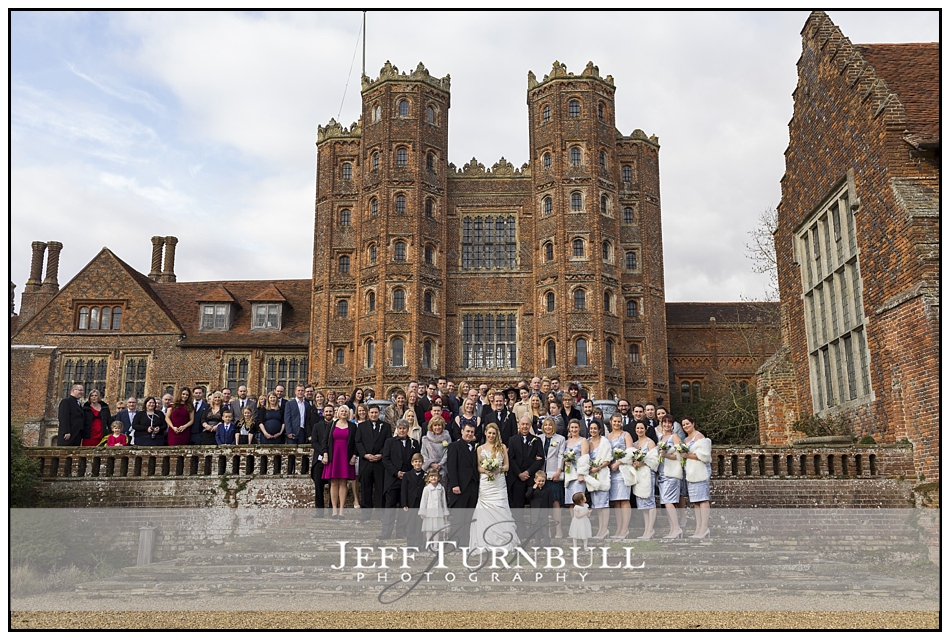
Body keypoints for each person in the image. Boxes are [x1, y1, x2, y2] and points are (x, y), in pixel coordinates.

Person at [469, 423, 520, 553]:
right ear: (485, 433)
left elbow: (507, 466)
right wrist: (486, 471)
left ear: (497, 434)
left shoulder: (502, 447)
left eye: (494, 433)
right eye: (489, 433)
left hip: (499, 482)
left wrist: (498, 470)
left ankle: (503, 541)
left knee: (501, 507)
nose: (491, 435)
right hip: (486, 483)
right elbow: (479, 467)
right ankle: (485, 541)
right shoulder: (480, 448)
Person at [379, 419, 420, 540]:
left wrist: (408, 475)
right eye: (400, 428)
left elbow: (416, 460)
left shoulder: (414, 443)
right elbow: (386, 459)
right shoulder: (389, 442)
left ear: (408, 429)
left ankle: (401, 532)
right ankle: (386, 532)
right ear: (397, 429)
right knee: (390, 508)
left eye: (404, 428)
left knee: (404, 507)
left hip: (407, 481)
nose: (402, 430)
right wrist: (396, 473)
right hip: (393, 480)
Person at [506, 415, 543, 538]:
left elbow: (540, 459)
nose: (525, 426)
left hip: (531, 479)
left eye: (527, 424)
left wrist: (528, 472)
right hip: (517, 479)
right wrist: (519, 474)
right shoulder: (512, 440)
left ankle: (535, 532)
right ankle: (520, 531)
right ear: (519, 425)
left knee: (534, 506)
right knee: (518, 506)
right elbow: (510, 458)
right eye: (523, 424)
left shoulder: (536, 440)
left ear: (530, 425)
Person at [446, 423, 480, 547]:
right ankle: (456, 542)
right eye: (467, 431)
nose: (470, 434)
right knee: (459, 516)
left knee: (469, 516)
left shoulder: (476, 447)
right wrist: (455, 484)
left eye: (472, 432)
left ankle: (466, 542)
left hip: (473, 485)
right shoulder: (454, 446)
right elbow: (451, 466)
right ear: (462, 431)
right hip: (459, 486)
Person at [321, 405, 357, 518]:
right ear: (338, 413)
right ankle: (334, 510)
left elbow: (356, 442)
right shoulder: (332, 425)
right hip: (333, 456)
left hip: (346, 456)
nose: (343, 413)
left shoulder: (352, 426)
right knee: (333, 482)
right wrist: (325, 454)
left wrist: (354, 456)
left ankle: (342, 510)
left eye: (345, 411)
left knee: (343, 482)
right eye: (341, 411)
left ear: (348, 413)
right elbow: (325, 441)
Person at [355, 404, 389, 521]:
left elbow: (387, 443)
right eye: (372, 412)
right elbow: (358, 442)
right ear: (368, 413)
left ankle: (381, 514)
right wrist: (365, 455)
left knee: (380, 488)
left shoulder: (385, 426)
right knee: (365, 488)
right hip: (366, 462)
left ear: (379, 413)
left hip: (380, 463)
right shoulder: (362, 426)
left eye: (376, 412)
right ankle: (366, 514)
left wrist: (381, 454)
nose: (374, 415)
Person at [682, 416, 712, 539]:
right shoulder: (686, 439)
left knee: (703, 500)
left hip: (700, 471)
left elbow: (704, 456)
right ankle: (698, 528)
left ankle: (704, 528)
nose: (685, 426)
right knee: (695, 502)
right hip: (691, 472)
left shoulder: (699, 437)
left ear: (693, 423)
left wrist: (687, 455)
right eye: (683, 425)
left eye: (687, 424)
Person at [606, 413, 635, 539]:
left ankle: (625, 529)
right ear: (611, 422)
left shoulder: (626, 435)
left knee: (624, 499)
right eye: (615, 421)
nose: (617, 423)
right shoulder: (607, 436)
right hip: (611, 472)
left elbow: (630, 453)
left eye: (619, 421)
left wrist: (618, 462)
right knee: (616, 502)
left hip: (622, 470)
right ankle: (618, 529)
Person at [656, 414, 684, 538]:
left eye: (669, 422)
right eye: (664, 422)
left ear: (672, 424)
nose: (667, 425)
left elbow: (680, 455)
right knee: (666, 501)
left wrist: (665, 455)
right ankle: (672, 529)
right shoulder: (661, 438)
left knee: (668, 501)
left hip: (671, 473)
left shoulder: (675, 437)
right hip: (662, 472)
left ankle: (677, 528)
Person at [538, 417, 566, 538]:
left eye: (550, 425)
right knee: (545, 503)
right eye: (545, 425)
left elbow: (561, 455)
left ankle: (558, 530)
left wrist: (558, 471)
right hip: (542, 474)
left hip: (554, 473)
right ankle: (547, 530)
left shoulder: (560, 439)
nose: (548, 427)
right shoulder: (539, 438)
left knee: (555, 502)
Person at [631, 421, 659, 539]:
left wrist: (642, 463)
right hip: (638, 476)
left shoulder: (650, 443)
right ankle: (646, 529)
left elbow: (654, 461)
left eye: (642, 428)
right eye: (638, 428)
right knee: (642, 503)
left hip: (647, 474)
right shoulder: (634, 444)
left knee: (650, 501)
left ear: (645, 429)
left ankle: (650, 529)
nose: (639, 430)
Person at [585, 421, 613, 539]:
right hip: (592, 476)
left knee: (604, 504)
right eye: (591, 428)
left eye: (595, 429)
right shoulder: (587, 442)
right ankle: (600, 530)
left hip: (602, 474)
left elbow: (608, 459)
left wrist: (599, 467)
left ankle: (604, 529)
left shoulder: (604, 442)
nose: (593, 431)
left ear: (600, 430)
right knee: (597, 505)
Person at [562, 419, 590, 530]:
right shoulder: (566, 442)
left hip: (578, 474)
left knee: (579, 501)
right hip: (569, 475)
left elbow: (584, 458)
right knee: (570, 502)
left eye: (576, 427)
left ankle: (582, 527)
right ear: (569, 428)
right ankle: (574, 527)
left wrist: (581, 474)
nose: (574, 429)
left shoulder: (583, 441)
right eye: (572, 427)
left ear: (579, 428)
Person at [310, 406, 332, 517]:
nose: (328, 413)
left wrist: (329, 455)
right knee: (318, 487)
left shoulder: (336, 426)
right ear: (323, 413)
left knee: (333, 486)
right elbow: (314, 442)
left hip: (332, 460)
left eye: (330, 411)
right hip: (319, 460)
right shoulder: (317, 426)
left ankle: (332, 511)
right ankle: (319, 512)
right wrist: (323, 454)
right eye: (326, 411)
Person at [401, 453, 427, 548]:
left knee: (419, 525)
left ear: (422, 463)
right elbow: (403, 490)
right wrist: (404, 503)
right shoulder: (407, 475)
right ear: (412, 463)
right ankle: (411, 544)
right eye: (416, 462)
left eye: (419, 462)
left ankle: (418, 544)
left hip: (421, 503)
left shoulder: (426, 474)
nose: (418, 463)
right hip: (410, 503)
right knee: (411, 524)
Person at [419, 469, 449, 546]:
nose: (433, 478)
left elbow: (443, 501)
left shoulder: (441, 488)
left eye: (435, 476)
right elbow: (424, 500)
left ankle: (435, 545)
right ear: (428, 478)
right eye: (431, 476)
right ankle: (429, 545)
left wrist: (445, 512)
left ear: (438, 478)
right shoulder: (427, 489)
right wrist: (422, 512)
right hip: (429, 513)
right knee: (429, 530)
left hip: (438, 513)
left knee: (437, 530)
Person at [421, 415, 451, 486]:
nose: (437, 427)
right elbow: (423, 454)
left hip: (443, 470)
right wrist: (431, 464)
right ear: (431, 426)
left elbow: (448, 452)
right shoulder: (426, 439)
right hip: (430, 471)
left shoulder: (447, 438)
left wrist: (440, 465)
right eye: (435, 425)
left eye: (439, 425)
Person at [525, 469, 553, 545]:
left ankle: (547, 543)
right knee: (536, 529)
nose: (541, 483)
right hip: (535, 513)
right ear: (535, 480)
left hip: (544, 513)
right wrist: (533, 489)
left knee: (545, 529)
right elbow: (527, 496)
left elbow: (550, 503)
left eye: (543, 481)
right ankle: (537, 543)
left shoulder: (547, 491)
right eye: (539, 481)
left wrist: (550, 513)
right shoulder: (531, 489)